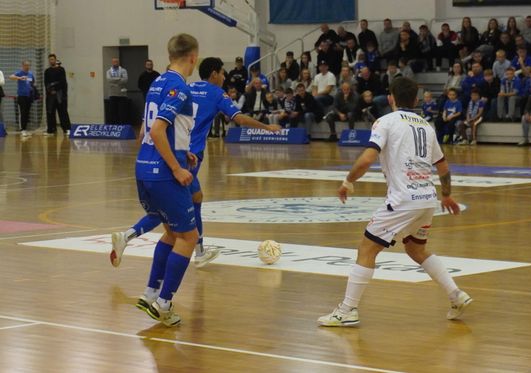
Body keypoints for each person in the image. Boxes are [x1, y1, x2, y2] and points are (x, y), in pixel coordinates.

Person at [317, 77, 470, 327]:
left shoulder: (386, 121)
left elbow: (367, 159)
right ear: (417, 100)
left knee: (367, 249)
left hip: (403, 200)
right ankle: (456, 294)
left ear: (391, 98)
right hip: (426, 200)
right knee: (415, 249)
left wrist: (348, 181)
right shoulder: (426, 126)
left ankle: (347, 311)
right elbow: (442, 166)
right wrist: (446, 194)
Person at [111, 56, 280, 272]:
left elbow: (148, 126)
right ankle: (132, 240)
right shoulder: (217, 92)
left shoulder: (186, 87)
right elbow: (239, 119)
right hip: (187, 158)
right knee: (171, 214)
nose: (224, 77)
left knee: (194, 199)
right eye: (222, 73)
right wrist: (267, 127)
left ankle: (199, 251)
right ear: (214, 74)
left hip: (168, 152)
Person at [123, 33, 200, 327]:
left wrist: (183, 153)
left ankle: (149, 293)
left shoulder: (156, 82)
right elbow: (156, 131)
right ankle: (164, 303)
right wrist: (177, 168)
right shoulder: (179, 87)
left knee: (170, 232)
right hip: (164, 173)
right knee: (189, 237)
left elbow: (144, 133)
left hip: (144, 166)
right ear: (193, 57)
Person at [44, 53, 71, 136]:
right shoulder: (47, 71)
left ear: (55, 60)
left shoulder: (61, 69)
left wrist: (55, 89)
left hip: (60, 95)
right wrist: (50, 90)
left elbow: (62, 82)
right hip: (50, 95)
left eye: (53, 59)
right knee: (50, 112)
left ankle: (67, 129)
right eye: (50, 59)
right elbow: (46, 83)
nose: (51, 60)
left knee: (63, 112)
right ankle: (51, 130)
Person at [9, 60, 36, 137]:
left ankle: (25, 129)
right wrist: (19, 78)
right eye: (26, 65)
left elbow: (32, 82)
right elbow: (10, 77)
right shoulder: (19, 72)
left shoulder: (30, 73)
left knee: (27, 113)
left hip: (29, 96)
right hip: (21, 96)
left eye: (28, 65)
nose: (27, 67)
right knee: (23, 112)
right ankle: (22, 129)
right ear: (23, 65)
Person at [106, 57, 129, 124]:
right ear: (112, 62)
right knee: (112, 111)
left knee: (122, 112)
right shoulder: (108, 71)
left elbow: (125, 80)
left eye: (116, 61)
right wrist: (119, 78)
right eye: (114, 62)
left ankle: (122, 125)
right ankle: (114, 125)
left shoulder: (123, 70)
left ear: (118, 62)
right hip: (112, 94)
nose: (115, 63)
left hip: (122, 94)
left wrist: (114, 80)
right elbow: (109, 80)